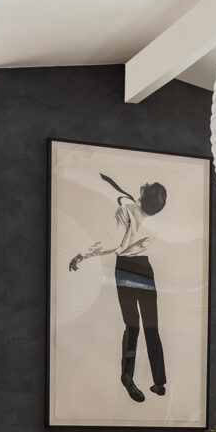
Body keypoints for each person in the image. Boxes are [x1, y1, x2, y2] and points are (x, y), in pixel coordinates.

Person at [69, 173, 167, 403]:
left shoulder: (126, 211)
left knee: (132, 326)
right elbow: (131, 204)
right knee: (152, 326)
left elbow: (113, 243)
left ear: (144, 194)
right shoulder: (154, 218)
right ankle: (159, 382)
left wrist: (83, 254)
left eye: (146, 185)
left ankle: (127, 377)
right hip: (145, 268)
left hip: (126, 267)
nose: (143, 182)